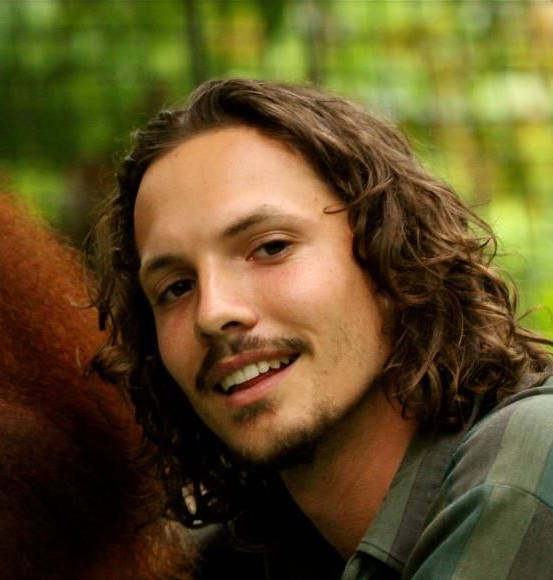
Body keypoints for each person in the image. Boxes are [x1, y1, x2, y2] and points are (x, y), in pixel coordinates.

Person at [89, 78, 553, 579]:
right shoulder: (259, 546)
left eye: (270, 247)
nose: (212, 312)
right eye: (176, 287)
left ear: (388, 251)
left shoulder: (524, 466)